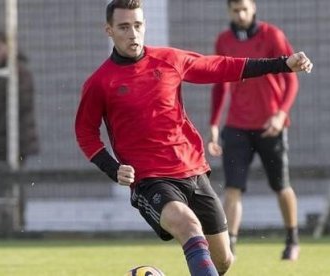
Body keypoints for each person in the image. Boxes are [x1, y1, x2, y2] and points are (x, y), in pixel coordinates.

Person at [75, 0, 312, 275]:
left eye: (138, 25)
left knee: (222, 261)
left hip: (193, 171)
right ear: (109, 30)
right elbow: (85, 132)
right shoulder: (100, 82)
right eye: (124, 27)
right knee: (188, 225)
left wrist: (283, 63)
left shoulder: (169, 60)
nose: (132, 33)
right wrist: (112, 167)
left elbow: (221, 67)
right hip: (150, 180)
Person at [208, 0, 301, 261]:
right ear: (229, 11)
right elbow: (220, 83)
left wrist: (281, 114)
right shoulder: (224, 40)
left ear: (254, 8)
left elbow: (291, 79)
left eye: (244, 9)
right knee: (233, 189)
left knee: (281, 185)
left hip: (270, 125)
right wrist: (214, 123)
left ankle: (292, 240)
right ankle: (231, 247)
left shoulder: (273, 35)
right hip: (236, 126)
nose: (240, 14)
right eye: (235, 10)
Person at [0, 31, 39, 235]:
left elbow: (17, 106)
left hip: (16, 141)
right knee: (1, 184)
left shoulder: (20, 73)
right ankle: (2, 225)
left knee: (15, 184)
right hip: (0, 140)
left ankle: (17, 225)